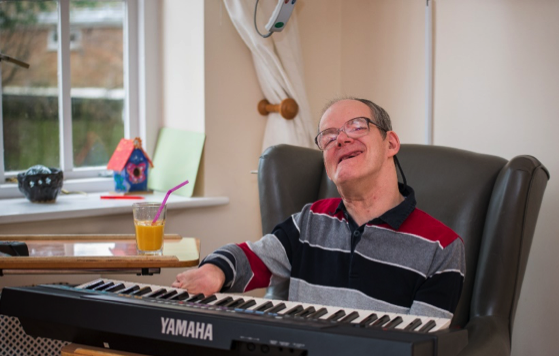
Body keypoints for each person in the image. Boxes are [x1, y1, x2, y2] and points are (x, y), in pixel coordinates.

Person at [173, 97, 465, 319]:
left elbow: (420, 349)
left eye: (357, 126)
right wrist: (215, 270)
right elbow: (252, 257)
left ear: (391, 143)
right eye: (328, 136)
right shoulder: (309, 221)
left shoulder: (443, 247)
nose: (341, 138)